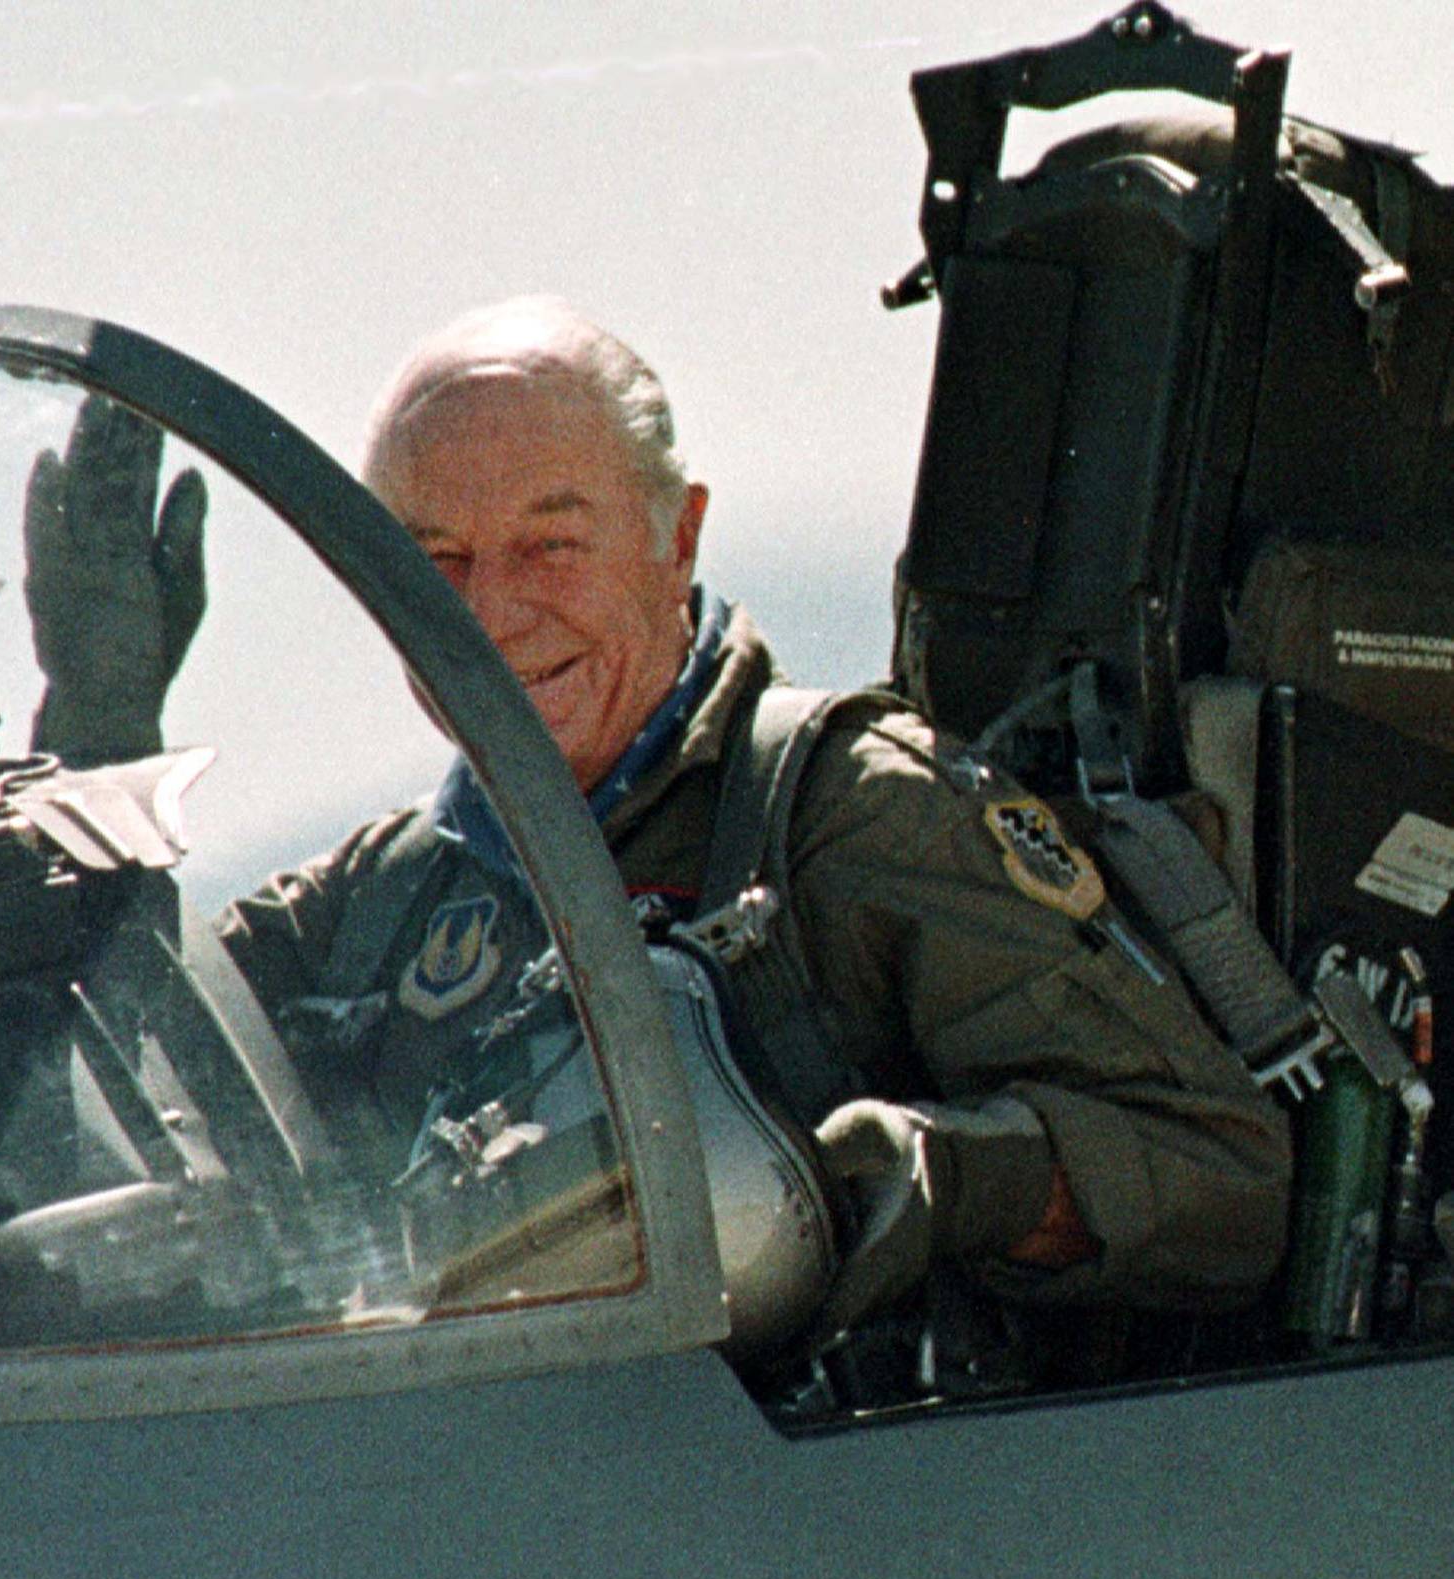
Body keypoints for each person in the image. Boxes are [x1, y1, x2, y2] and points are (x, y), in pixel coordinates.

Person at [207, 296, 1292, 1353]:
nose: (487, 614)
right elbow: (116, 1092)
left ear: (675, 539)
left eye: (551, 545)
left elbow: (1220, 1183)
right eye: (434, 561)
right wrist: (97, 710)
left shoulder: (855, 815)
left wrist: (946, 1177)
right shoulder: (385, 900)